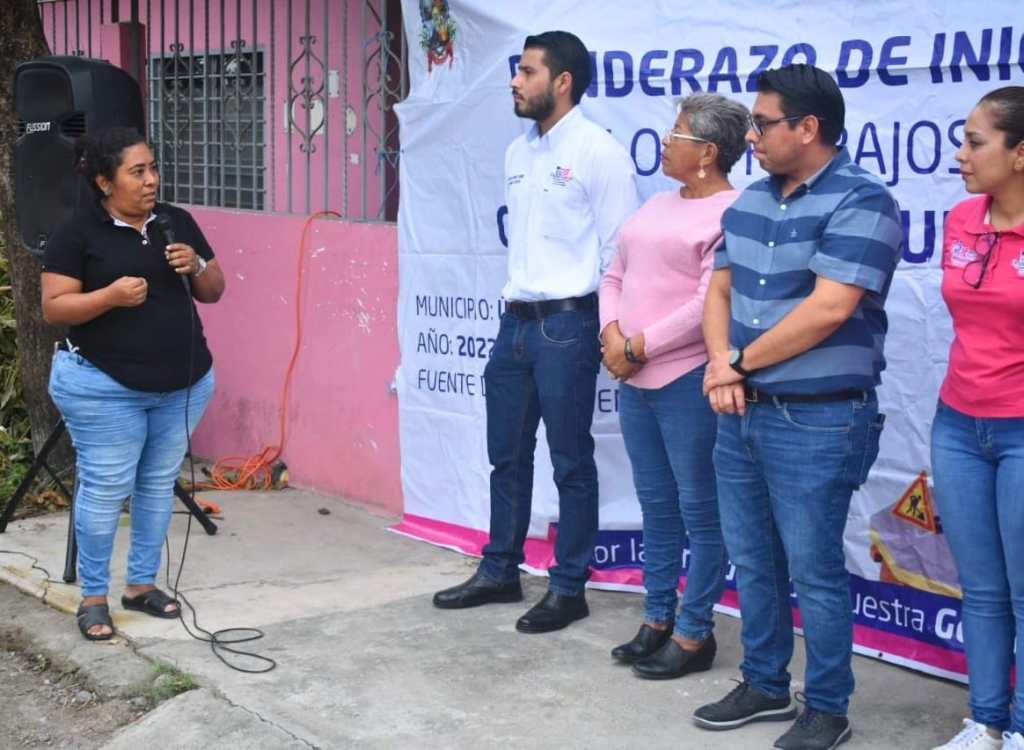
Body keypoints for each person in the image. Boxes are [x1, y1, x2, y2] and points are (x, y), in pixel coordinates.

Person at [698, 64, 902, 750]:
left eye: (762, 123)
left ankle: (828, 707)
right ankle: (763, 682)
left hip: (818, 419)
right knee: (753, 559)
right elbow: (719, 291)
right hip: (740, 410)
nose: (750, 136)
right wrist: (722, 365)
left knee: (813, 570)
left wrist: (738, 364)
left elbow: (829, 309)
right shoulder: (750, 201)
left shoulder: (862, 200)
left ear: (808, 127)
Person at [433, 30, 640, 633]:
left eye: (527, 72)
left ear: (563, 81)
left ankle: (569, 587)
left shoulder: (599, 151)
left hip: (569, 325)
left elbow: (619, 252)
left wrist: (610, 329)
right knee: (506, 455)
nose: (515, 82)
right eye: (516, 71)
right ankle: (500, 569)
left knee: (571, 461)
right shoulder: (517, 152)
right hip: (515, 325)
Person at [41, 127, 226, 641]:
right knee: (106, 489)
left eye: (153, 168)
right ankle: (93, 598)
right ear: (105, 181)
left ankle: (141, 586)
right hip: (103, 386)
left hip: (183, 383)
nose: (151, 181)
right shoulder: (77, 232)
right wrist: (109, 297)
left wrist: (198, 265)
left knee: (157, 484)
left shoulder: (175, 221)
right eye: (137, 171)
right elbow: (54, 308)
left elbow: (214, 290)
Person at [599, 93, 747, 679]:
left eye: (677, 133)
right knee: (656, 505)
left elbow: (708, 303)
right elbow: (615, 273)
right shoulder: (656, 204)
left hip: (686, 381)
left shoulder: (732, 212)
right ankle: (657, 617)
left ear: (707, 152)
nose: (665, 141)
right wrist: (612, 335)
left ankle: (694, 631)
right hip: (634, 379)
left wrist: (638, 346)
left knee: (700, 510)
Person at [929, 86, 1024, 750]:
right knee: (981, 587)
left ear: (1020, 154)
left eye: (975, 142)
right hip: (958, 424)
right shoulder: (963, 218)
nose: (961, 155)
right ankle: (985, 722)